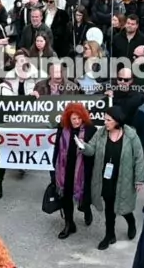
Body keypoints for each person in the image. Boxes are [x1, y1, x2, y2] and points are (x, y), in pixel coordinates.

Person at [78, 106, 144, 251]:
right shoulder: (101, 133)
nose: (105, 123)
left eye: (108, 120)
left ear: (117, 121)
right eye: (105, 120)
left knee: (123, 205)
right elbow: (91, 150)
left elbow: (139, 158)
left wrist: (139, 179)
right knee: (109, 207)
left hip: (124, 177)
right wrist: (83, 146)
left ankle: (131, 222)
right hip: (106, 177)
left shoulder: (131, 135)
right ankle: (109, 235)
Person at [51, 102, 96, 238]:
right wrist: (55, 165)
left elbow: (94, 152)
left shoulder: (90, 129)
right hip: (65, 169)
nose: (77, 121)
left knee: (84, 197)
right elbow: (57, 147)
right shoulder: (62, 128)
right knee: (66, 197)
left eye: (79, 118)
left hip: (83, 170)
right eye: (73, 118)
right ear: (68, 119)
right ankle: (69, 224)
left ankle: (86, 209)